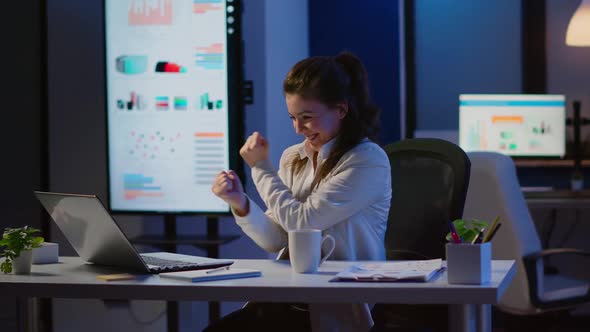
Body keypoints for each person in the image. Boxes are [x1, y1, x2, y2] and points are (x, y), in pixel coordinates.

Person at [208, 51, 392, 332]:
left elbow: (303, 222)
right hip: (289, 298)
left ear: (341, 110)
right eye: (293, 117)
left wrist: (260, 168)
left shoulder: (368, 160)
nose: (297, 128)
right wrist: (240, 203)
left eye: (306, 117)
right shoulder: (293, 157)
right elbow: (277, 238)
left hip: (337, 304)